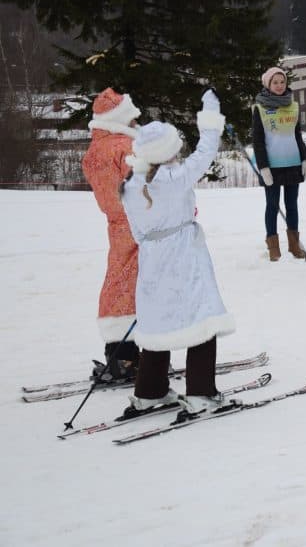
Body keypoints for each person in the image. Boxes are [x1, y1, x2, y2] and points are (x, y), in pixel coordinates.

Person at [119, 90, 237, 418]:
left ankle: (150, 391)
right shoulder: (174, 178)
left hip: (152, 259)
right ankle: (201, 393)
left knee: (158, 324)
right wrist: (211, 113)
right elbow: (206, 149)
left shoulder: (131, 183)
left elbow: (137, 231)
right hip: (183, 255)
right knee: (201, 320)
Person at [81, 88, 142, 381]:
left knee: (118, 283)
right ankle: (129, 358)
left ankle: (118, 352)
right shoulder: (124, 148)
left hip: (115, 225)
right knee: (138, 287)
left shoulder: (94, 151)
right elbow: (144, 187)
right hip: (137, 222)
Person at [251, 66, 306, 262]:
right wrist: (263, 167)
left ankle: (294, 245)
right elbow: (258, 141)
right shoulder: (259, 108)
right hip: (272, 166)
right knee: (272, 205)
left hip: (292, 163)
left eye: (282, 82)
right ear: (268, 84)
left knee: (292, 205)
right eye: (275, 82)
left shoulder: (292, 106)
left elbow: (297, 134)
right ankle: (273, 247)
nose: (279, 86)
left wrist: (305, 158)